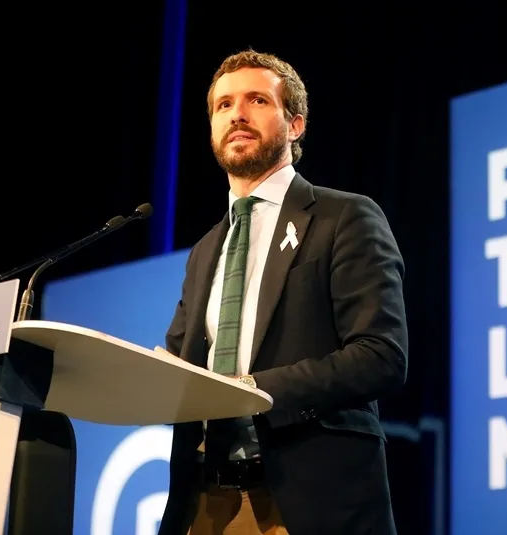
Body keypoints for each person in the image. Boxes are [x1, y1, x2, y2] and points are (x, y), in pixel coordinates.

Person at [157, 49, 408, 535]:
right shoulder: (206, 250)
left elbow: (382, 355)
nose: (237, 115)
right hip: (205, 505)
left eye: (255, 100)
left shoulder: (345, 218)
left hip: (307, 503)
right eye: (223, 105)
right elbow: (182, 367)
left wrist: (256, 392)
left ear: (294, 125)